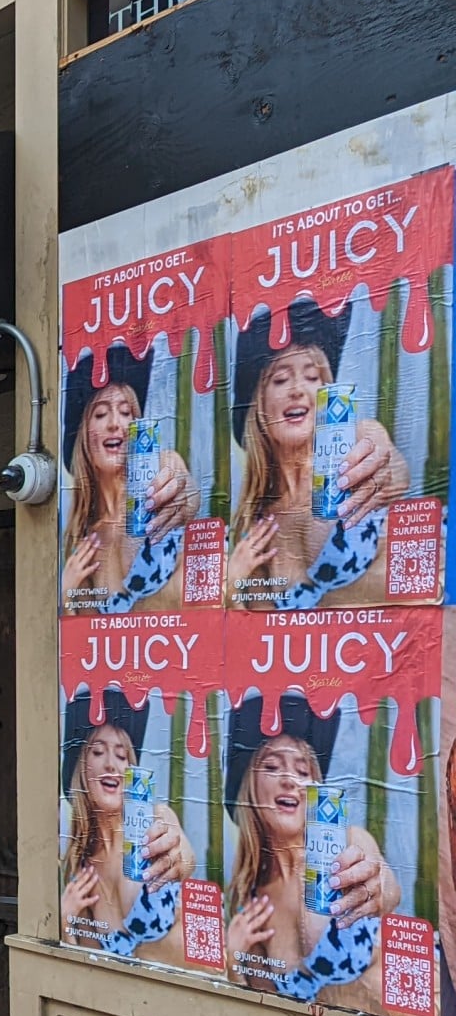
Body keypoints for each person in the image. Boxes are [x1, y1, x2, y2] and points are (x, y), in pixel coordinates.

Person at [226, 299, 413, 609]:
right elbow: (259, 640)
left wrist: (386, 455)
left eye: (313, 378)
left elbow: (391, 465)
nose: (299, 389)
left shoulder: (357, 452)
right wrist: (232, 591)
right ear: (258, 405)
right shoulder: (255, 526)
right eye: (281, 379)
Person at [225, 690, 401, 1011]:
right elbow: (266, 1013)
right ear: (248, 787)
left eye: (303, 771)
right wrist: (233, 962)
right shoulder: (253, 906)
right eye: (273, 767)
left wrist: (379, 888)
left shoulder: (348, 844)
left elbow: (387, 887)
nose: (290, 779)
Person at [59, 342, 198, 614]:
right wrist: (68, 594)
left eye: (126, 413)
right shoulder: (85, 541)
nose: (115, 423)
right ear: (84, 436)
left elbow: (182, 484)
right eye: (101, 414)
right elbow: (89, 639)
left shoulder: (159, 477)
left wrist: (187, 492)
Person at [59, 686, 196, 962]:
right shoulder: (78, 873)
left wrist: (182, 857)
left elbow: (182, 851)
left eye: (122, 756)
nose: (112, 765)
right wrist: (64, 922)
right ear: (80, 768)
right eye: (98, 752)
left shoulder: (155, 822)